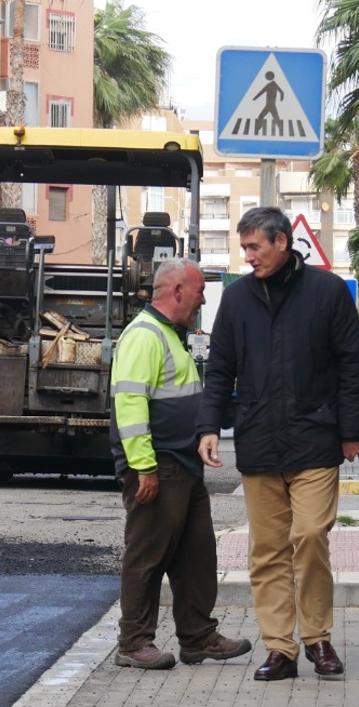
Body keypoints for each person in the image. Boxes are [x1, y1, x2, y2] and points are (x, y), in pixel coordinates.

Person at [196, 207, 359, 681]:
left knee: (310, 535)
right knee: (268, 550)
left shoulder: (328, 292)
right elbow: (220, 370)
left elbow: (355, 365)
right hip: (258, 440)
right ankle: (280, 648)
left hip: (315, 438)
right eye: (244, 247)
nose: (247, 256)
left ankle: (318, 639)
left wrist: (352, 432)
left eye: (254, 247)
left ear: (282, 242)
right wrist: (209, 426)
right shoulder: (235, 300)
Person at [110, 258, 252, 670]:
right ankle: (133, 643)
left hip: (183, 465)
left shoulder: (170, 335)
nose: (203, 299)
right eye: (199, 291)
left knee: (197, 555)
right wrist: (144, 468)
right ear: (176, 291)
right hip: (160, 466)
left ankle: (197, 636)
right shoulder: (143, 336)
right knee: (147, 556)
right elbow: (130, 406)